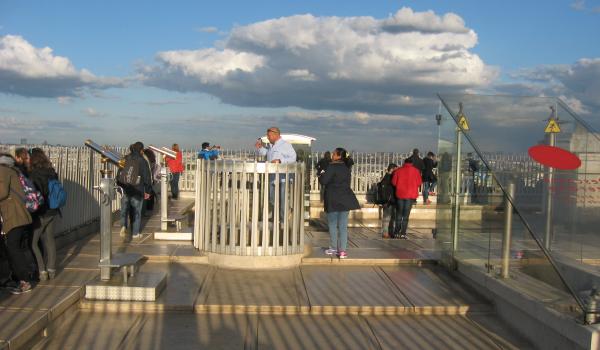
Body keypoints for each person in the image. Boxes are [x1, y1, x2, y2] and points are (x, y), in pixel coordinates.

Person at [0, 153, 34, 293]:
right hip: (20, 215)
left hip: (14, 216)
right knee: (15, 247)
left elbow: (2, 192)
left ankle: (24, 280)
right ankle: (19, 277)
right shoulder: (13, 170)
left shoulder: (3, 170)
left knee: (13, 248)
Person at [319, 148, 360, 259]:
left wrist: (321, 174)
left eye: (334, 153)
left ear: (338, 156)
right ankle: (342, 251)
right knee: (343, 226)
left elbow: (324, 181)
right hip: (345, 199)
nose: (332, 155)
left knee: (332, 224)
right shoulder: (346, 168)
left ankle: (333, 247)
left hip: (333, 199)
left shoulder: (332, 167)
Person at [28, 148, 60, 281]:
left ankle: (42, 271)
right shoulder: (51, 172)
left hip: (42, 212)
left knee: (33, 242)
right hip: (53, 210)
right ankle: (52, 270)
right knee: (50, 241)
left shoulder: (34, 174)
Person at [255, 127, 297, 220]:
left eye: (269, 135)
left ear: (275, 134)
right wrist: (259, 147)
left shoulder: (286, 145)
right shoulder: (271, 146)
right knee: (272, 198)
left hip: (283, 177)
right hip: (272, 177)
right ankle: (278, 216)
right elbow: (265, 153)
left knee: (282, 199)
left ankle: (282, 220)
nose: (268, 137)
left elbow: (293, 158)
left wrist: (280, 160)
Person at [118, 142, 151, 241]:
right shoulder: (142, 160)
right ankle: (135, 233)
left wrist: (120, 185)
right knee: (137, 212)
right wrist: (148, 191)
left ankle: (124, 225)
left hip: (126, 188)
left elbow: (119, 173)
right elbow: (147, 177)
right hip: (137, 189)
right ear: (141, 150)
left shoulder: (126, 158)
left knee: (124, 210)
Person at [391, 157, 422, 239]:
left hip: (400, 194)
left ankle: (396, 232)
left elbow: (394, 183)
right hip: (410, 195)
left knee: (399, 214)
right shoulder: (416, 171)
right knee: (406, 216)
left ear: (404, 162)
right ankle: (403, 233)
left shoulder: (398, 170)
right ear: (412, 163)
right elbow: (419, 183)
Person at [380, 163, 398, 238]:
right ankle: (386, 232)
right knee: (388, 217)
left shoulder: (386, 177)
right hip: (389, 201)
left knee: (391, 217)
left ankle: (389, 232)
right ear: (392, 169)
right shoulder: (388, 178)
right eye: (395, 169)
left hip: (390, 200)